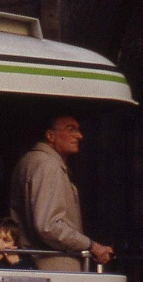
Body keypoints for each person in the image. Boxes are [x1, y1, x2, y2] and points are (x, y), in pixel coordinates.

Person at [9, 114, 113, 271]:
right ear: (50, 135)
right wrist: (92, 246)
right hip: (54, 265)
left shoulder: (30, 160)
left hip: (36, 262)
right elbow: (49, 226)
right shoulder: (48, 165)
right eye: (71, 129)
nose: (79, 135)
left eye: (78, 130)